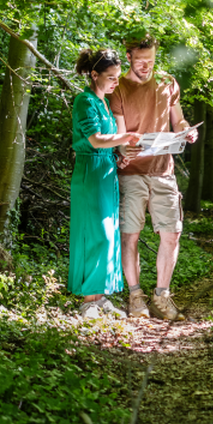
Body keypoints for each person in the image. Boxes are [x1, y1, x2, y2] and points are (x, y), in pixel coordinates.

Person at [110, 35, 198, 321]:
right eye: (141, 61)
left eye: (151, 61)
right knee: (130, 235)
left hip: (164, 171)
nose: (146, 66)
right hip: (131, 171)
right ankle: (136, 297)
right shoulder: (119, 88)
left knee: (172, 234)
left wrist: (186, 131)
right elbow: (120, 136)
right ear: (129, 57)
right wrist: (124, 147)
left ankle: (162, 295)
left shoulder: (167, 82)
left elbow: (178, 120)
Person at [68, 48, 140, 317]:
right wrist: (126, 138)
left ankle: (100, 297)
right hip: (89, 172)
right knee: (94, 232)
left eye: (117, 77)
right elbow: (96, 140)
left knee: (109, 234)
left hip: (107, 171)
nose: (115, 83)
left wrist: (118, 157)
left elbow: (107, 144)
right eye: (110, 77)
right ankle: (88, 299)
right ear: (94, 74)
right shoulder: (84, 101)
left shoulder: (105, 104)